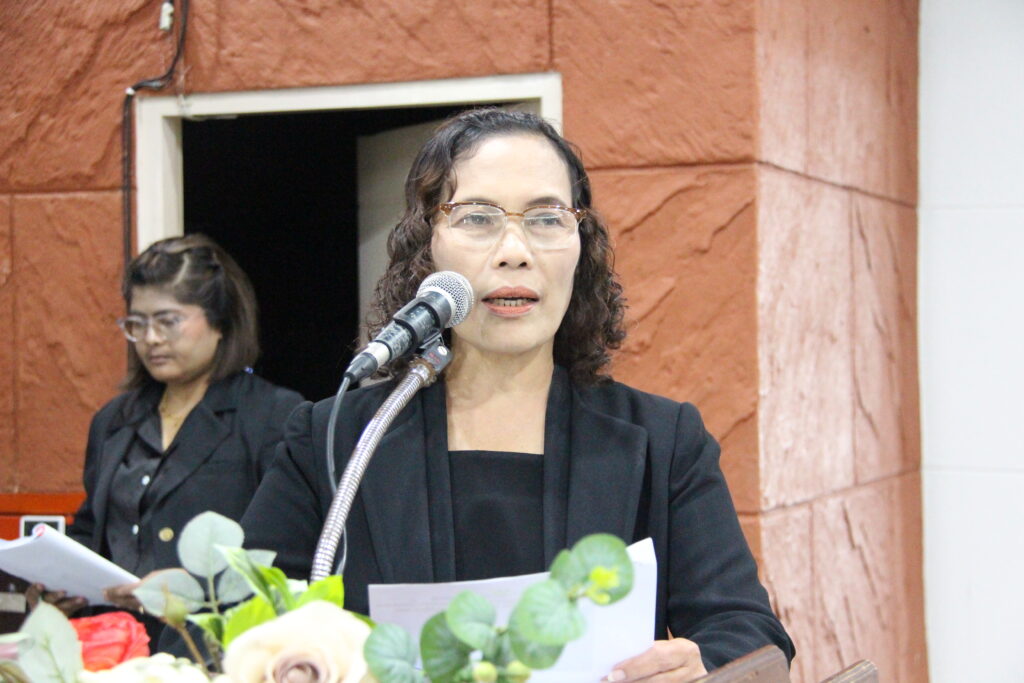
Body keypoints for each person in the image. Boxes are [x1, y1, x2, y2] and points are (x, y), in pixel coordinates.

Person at [241, 109, 794, 681]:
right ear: (427, 247)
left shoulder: (665, 441)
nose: (514, 251)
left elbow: (748, 632)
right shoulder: (333, 440)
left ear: (580, 248)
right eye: (477, 218)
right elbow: (237, 623)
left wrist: (701, 665)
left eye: (546, 219)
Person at [27, 234, 304, 639]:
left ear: (220, 321)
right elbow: (93, 530)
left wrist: (196, 587)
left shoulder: (272, 415)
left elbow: (290, 551)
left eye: (168, 321)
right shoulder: (114, 420)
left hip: (216, 644)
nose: (151, 339)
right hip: (114, 642)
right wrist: (55, 582)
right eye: (137, 324)